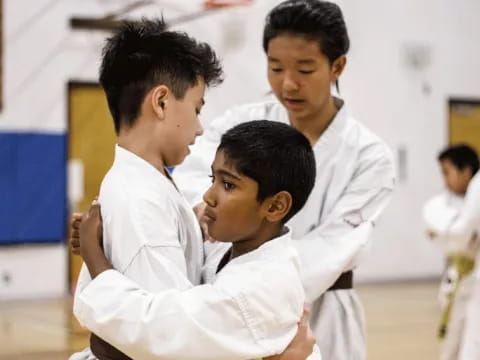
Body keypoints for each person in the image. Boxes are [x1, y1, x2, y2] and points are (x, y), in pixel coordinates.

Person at [70, 18, 317, 360]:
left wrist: (94, 257)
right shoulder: (140, 197)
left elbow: (165, 330)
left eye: (227, 184)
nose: (200, 128)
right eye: (197, 109)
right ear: (161, 102)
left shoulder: (147, 186)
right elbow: (157, 342)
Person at [172, 1, 395, 359]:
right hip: (231, 296)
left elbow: (333, 249)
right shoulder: (242, 122)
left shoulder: (370, 157)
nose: (287, 83)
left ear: (337, 65)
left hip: (322, 312)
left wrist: (257, 294)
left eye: (305, 69)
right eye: (275, 68)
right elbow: (192, 178)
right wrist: (205, 209)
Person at [74, 121, 321, 360]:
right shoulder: (238, 246)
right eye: (212, 179)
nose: (208, 196)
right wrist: (111, 237)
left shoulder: (257, 290)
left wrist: (93, 254)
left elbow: (153, 330)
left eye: (228, 185)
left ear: (276, 205)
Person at [425, 144, 480, 360]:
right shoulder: (440, 203)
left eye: (447, 172)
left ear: (466, 171)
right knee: (453, 345)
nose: (444, 180)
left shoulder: (477, 187)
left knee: (473, 344)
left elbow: (463, 231)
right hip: (459, 277)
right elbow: (458, 234)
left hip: (474, 278)